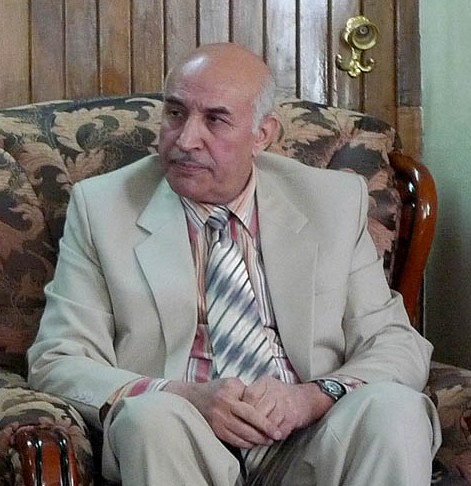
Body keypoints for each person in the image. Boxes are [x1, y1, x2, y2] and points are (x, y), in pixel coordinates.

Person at [27, 42, 441, 485]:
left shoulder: (331, 203)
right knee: (149, 418)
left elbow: (394, 343)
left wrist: (313, 397)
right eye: (175, 113)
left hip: (311, 440)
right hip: (180, 440)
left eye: (216, 119)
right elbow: (58, 358)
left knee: (395, 410)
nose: (186, 140)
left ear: (262, 134)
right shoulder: (103, 208)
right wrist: (183, 395)